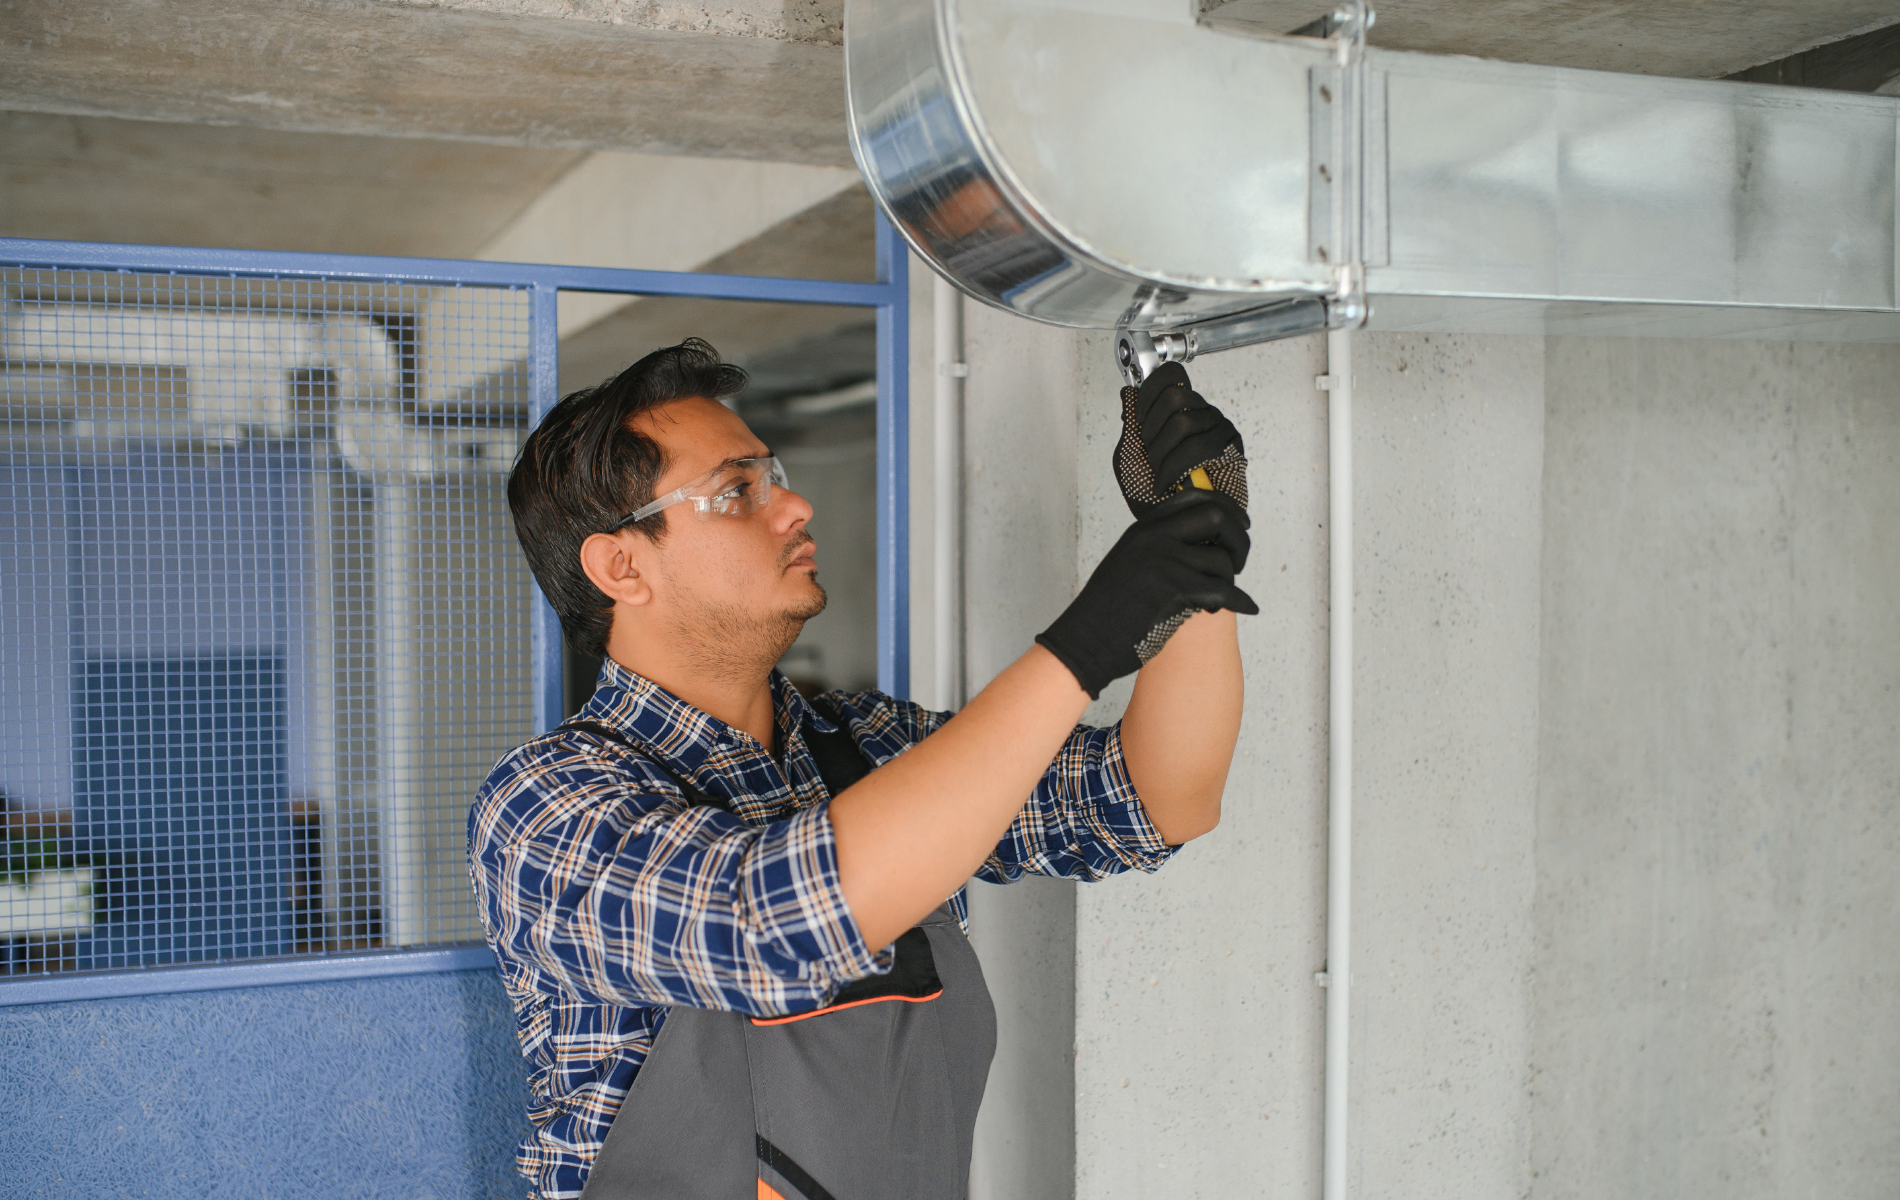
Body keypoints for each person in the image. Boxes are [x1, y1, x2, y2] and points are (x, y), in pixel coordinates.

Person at [470, 338, 1253, 1200]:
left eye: (775, 475)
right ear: (622, 565)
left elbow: (1155, 798)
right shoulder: (546, 805)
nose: (795, 504)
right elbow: (770, 926)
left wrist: (1190, 553)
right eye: (737, 492)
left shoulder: (864, 745)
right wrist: (1082, 648)